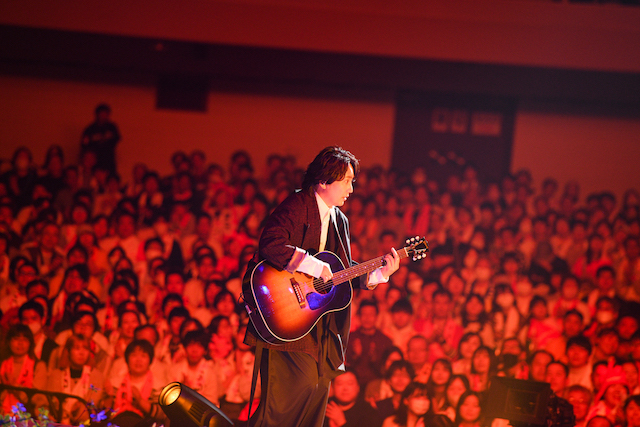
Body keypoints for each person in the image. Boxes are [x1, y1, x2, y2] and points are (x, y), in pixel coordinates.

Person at [244, 147, 400, 427]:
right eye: (347, 180)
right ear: (324, 181)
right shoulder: (297, 204)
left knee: (318, 389)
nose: (351, 189)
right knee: (297, 389)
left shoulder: (339, 219)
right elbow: (271, 243)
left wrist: (377, 275)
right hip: (285, 312)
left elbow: (341, 268)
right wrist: (314, 266)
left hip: (317, 322)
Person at [80, 103, 121, 174]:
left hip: (109, 160)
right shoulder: (90, 129)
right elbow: (84, 145)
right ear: (97, 114)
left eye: (105, 113)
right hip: (95, 162)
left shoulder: (112, 127)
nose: (103, 116)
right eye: (101, 113)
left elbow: (117, 139)